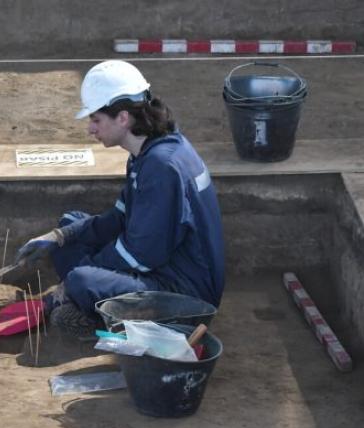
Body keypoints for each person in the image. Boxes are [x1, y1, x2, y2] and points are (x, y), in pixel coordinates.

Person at [15, 60, 225, 337]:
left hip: (185, 297)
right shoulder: (148, 152)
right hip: (161, 265)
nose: (91, 129)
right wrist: (60, 235)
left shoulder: (162, 167)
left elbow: (141, 254)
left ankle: (93, 315)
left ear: (123, 118)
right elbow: (118, 218)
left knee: (80, 278)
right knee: (72, 226)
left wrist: (73, 282)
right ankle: (90, 300)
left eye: (95, 119)